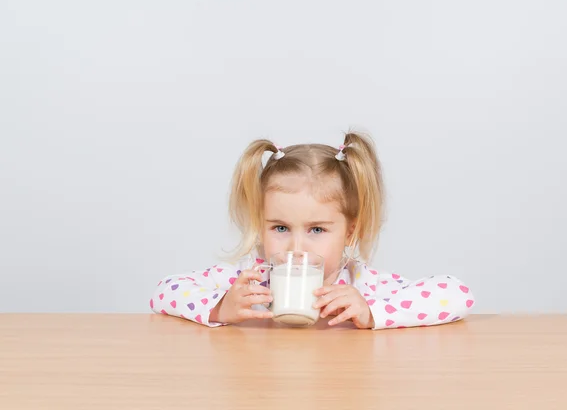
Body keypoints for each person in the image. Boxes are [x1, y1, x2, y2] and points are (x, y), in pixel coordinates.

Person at [150, 131, 475, 329]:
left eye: (317, 230)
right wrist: (221, 307)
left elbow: (457, 295)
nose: (296, 247)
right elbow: (164, 291)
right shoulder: (251, 282)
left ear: (350, 231)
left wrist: (372, 312)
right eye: (280, 227)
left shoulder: (360, 285)